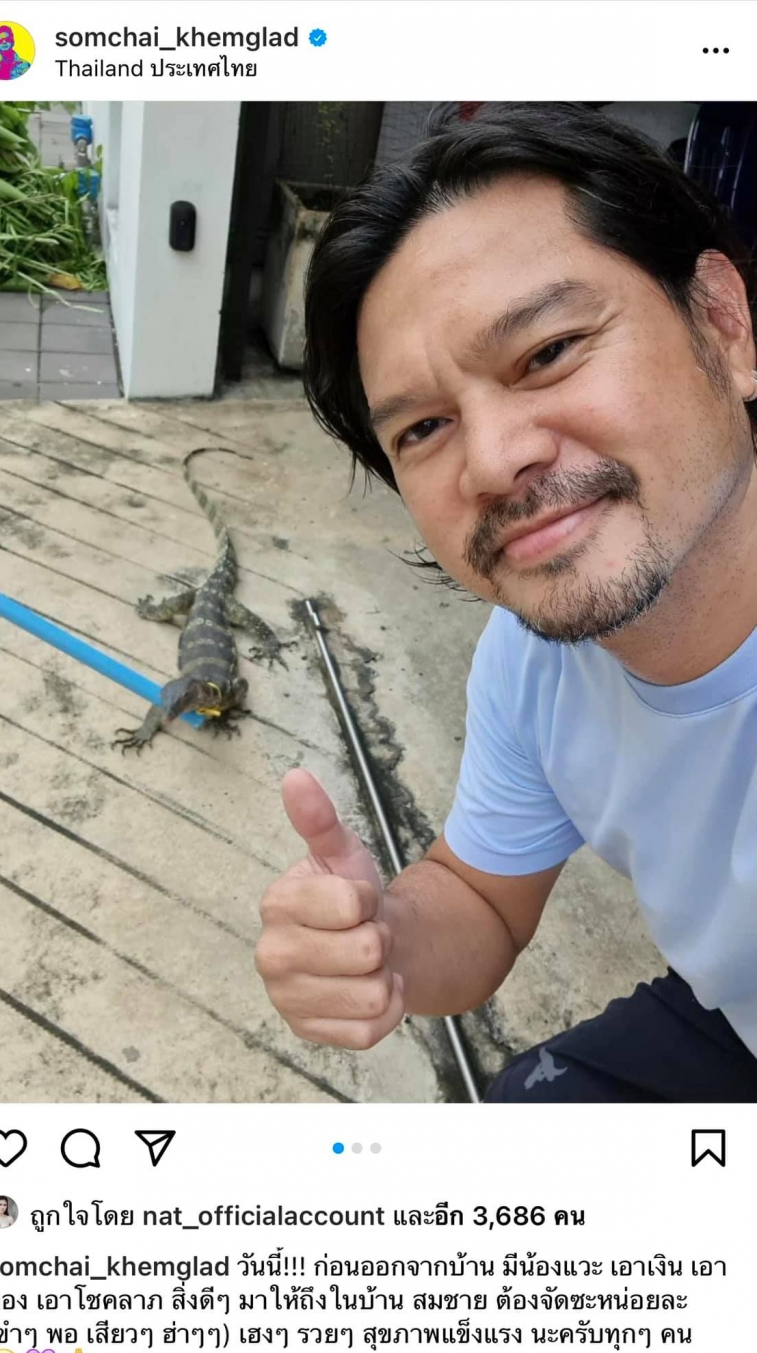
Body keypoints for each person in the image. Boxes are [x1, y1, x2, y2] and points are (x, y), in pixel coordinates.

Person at [256, 103, 757, 1102]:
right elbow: (480, 900)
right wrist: (382, 941)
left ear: (722, 324)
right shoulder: (531, 659)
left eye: (547, 351)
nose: (491, 462)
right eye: (423, 428)